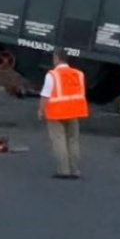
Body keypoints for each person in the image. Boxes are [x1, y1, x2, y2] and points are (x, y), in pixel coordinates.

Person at [38, 48, 89, 180]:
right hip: (74, 112)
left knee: (59, 140)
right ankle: (74, 170)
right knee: (73, 140)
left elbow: (45, 96)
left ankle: (63, 170)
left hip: (57, 112)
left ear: (56, 58)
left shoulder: (52, 75)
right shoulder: (78, 74)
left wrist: (41, 111)